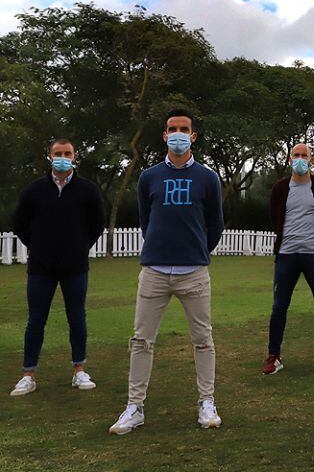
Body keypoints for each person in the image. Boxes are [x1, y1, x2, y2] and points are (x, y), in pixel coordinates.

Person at [109, 108, 225, 435]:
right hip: (154, 270)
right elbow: (147, 221)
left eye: (184, 129)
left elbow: (214, 224)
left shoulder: (208, 178)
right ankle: (134, 407)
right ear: (164, 135)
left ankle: (207, 402)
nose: (177, 134)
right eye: (172, 129)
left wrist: (198, 249)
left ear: (193, 136)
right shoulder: (148, 177)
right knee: (141, 340)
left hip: (194, 272)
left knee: (203, 339)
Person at [10, 138, 106, 397]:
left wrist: (79, 246)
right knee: (36, 321)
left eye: (67, 153)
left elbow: (97, 224)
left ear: (75, 156)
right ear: (50, 156)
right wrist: (38, 246)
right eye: (58, 153)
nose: (63, 157)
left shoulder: (88, 190)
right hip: (41, 268)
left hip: (75, 267)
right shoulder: (34, 190)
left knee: (77, 318)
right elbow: (19, 223)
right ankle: (28, 374)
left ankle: (79, 370)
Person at [262, 143, 314, 375]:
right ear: (289, 160)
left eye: (304, 155)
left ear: (312, 160)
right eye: (295, 155)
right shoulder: (280, 188)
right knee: (279, 307)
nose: (299, 159)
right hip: (286, 254)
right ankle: (274, 356)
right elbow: (275, 217)